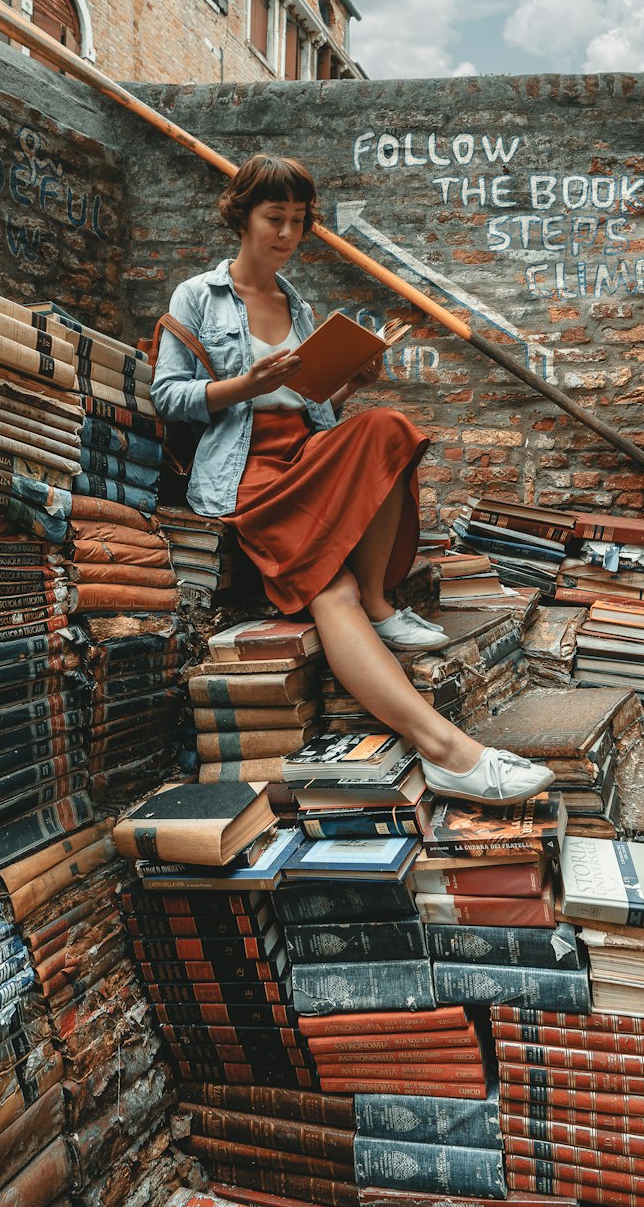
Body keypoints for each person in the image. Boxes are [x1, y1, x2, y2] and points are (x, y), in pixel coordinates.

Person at [151, 154, 554, 805]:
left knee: (387, 426)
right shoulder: (200, 296)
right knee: (325, 591)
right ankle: (450, 751)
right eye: (273, 218)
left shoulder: (297, 303)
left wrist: (347, 386)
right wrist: (242, 385)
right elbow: (169, 396)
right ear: (242, 217)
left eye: (297, 222)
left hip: (303, 457)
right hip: (245, 473)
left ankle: (378, 600)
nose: (286, 234)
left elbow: (313, 409)